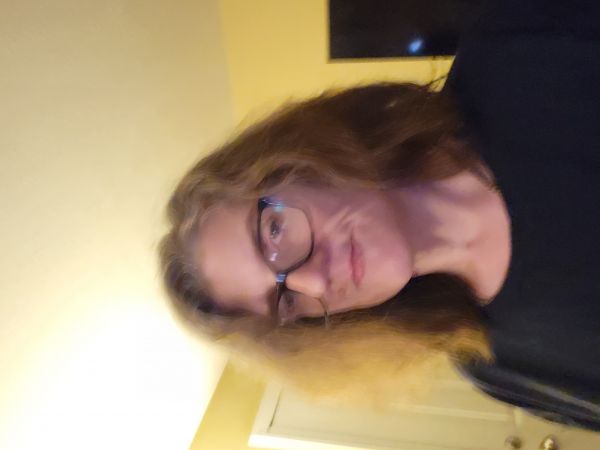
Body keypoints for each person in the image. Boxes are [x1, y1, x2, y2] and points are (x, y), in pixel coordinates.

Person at [160, 0, 600, 427]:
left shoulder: (517, 51)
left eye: (275, 234)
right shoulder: (499, 364)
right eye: (285, 302)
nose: (315, 284)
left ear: (298, 158)